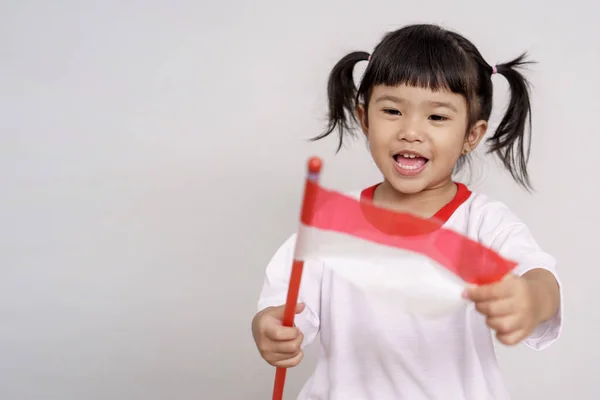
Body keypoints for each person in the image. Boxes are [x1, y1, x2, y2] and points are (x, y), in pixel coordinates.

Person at [251, 23, 562, 399]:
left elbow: (541, 281)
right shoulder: (331, 226)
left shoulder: (483, 223)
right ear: (365, 119)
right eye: (393, 110)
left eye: (437, 117)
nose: (411, 131)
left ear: (471, 136)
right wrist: (271, 328)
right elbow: (284, 306)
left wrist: (530, 300)